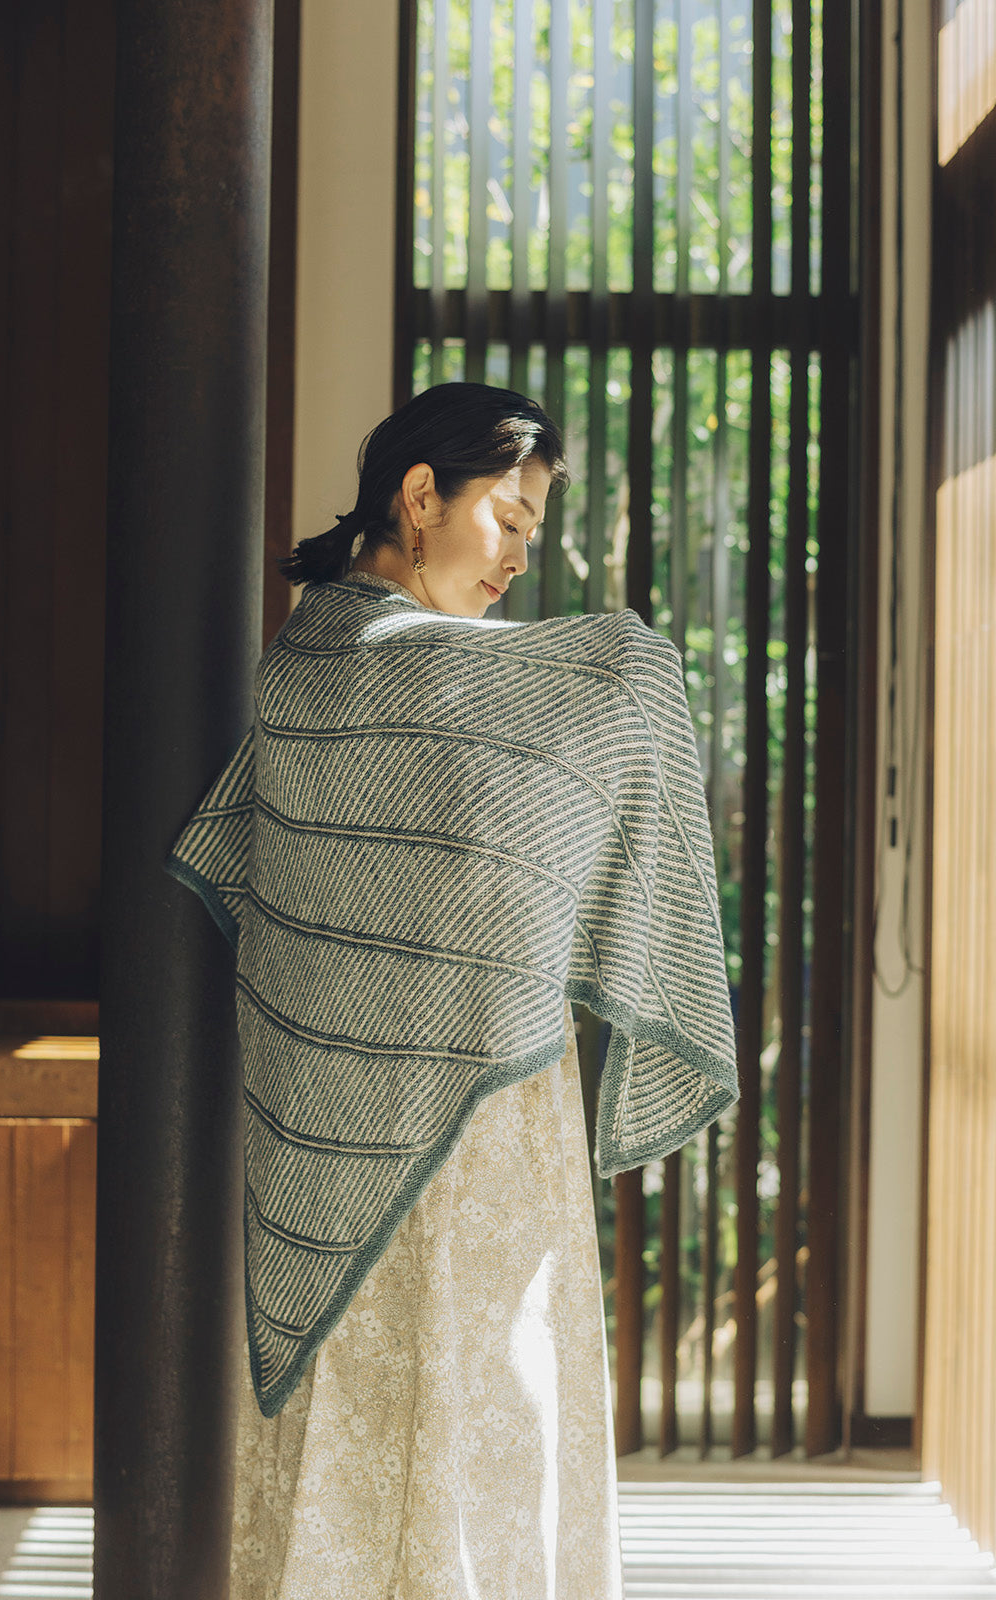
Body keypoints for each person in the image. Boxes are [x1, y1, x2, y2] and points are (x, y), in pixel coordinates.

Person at [164, 382, 739, 1599]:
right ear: (420, 496)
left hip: (481, 1123)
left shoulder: (393, 675)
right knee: (443, 1424)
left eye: (535, 533)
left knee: (487, 1421)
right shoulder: (329, 672)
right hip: (376, 1138)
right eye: (510, 521)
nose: (522, 560)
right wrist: (632, 658)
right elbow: (293, 912)